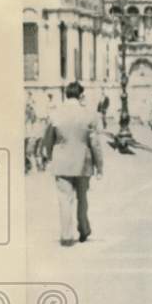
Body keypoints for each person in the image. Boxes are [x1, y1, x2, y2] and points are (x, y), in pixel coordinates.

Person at [42, 81, 103, 247]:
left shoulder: (55, 114)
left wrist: (49, 156)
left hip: (61, 162)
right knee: (82, 198)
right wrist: (99, 166)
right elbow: (95, 143)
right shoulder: (90, 115)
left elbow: (47, 139)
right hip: (83, 161)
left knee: (64, 199)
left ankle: (66, 236)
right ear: (81, 95)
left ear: (66, 95)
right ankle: (83, 229)